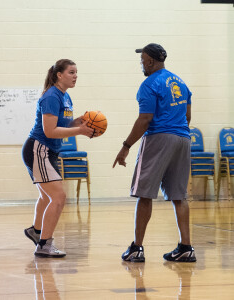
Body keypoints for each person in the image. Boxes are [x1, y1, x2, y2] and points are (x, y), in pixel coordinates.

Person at [113, 43, 196, 263]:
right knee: (179, 196)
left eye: (142, 61)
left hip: (159, 138)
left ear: (150, 61)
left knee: (145, 193)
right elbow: (187, 116)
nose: (141, 64)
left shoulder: (149, 84)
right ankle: (186, 247)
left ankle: (136, 248)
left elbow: (145, 119)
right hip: (183, 139)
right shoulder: (181, 82)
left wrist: (126, 146)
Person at [22, 59, 95, 258]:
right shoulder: (52, 96)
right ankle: (44, 244)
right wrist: (79, 130)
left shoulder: (65, 96)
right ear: (59, 75)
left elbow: (61, 123)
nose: (75, 75)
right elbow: (50, 130)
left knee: (47, 196)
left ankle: (36, 232)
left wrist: (75, 122)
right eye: (71, 72)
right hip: (39, 149)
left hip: (49, 151)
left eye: (76, 72)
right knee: (59, 197)